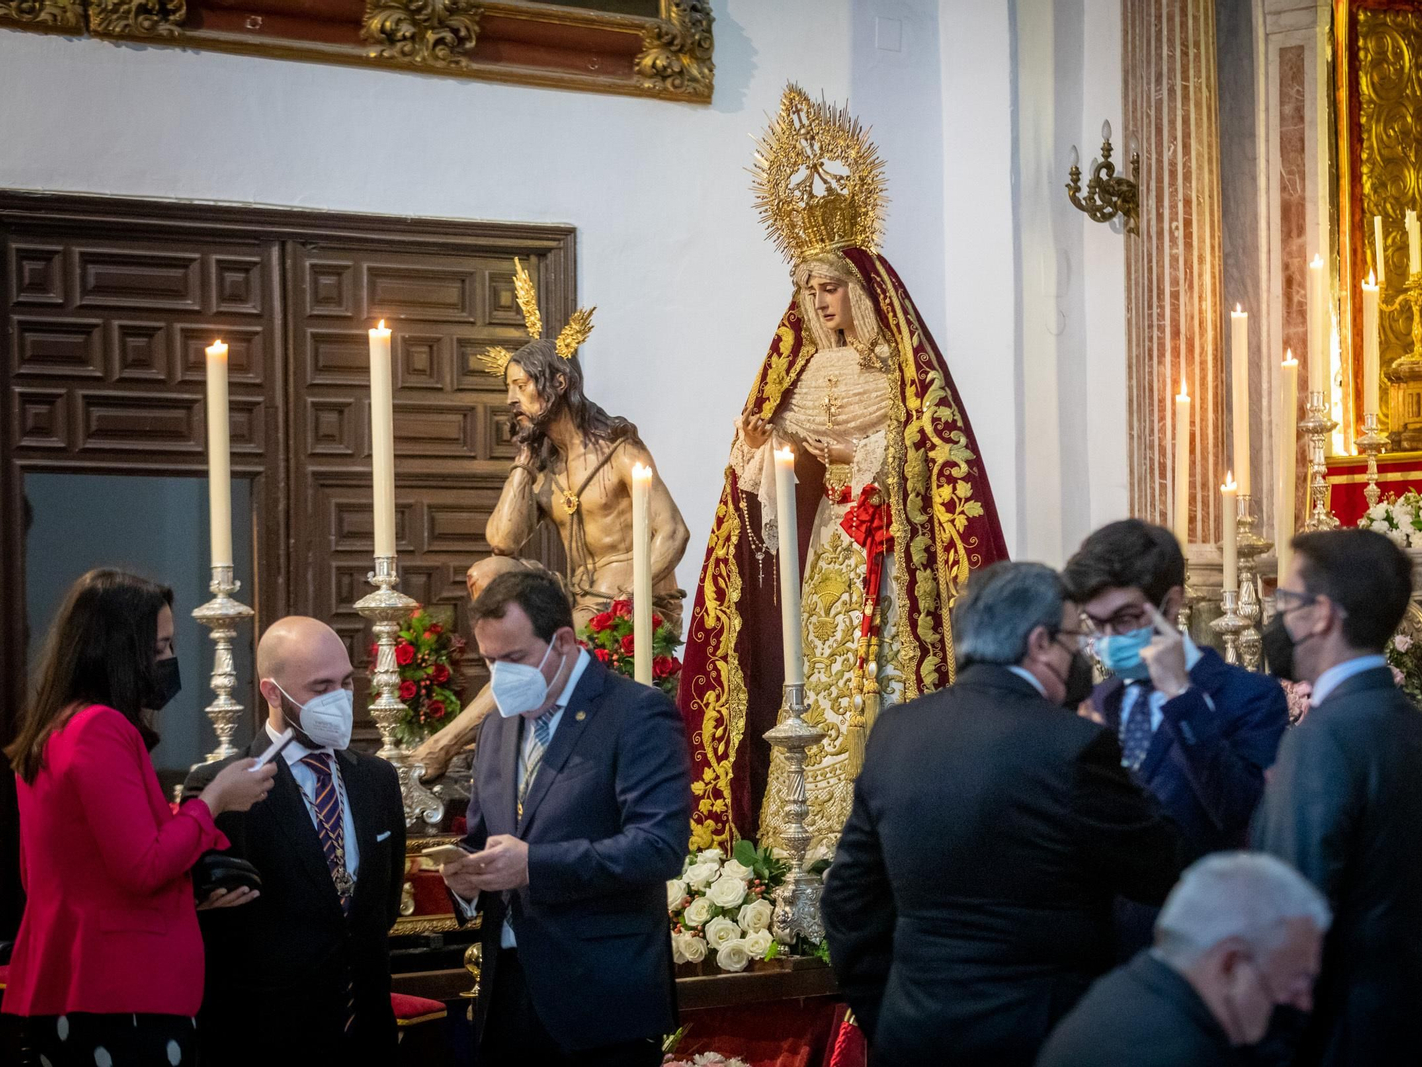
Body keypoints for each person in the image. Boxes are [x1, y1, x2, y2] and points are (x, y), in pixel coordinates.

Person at [679, 85, 1009, 854]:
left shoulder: (896, 370)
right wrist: (761, 448)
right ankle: (806, 831)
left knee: (884, 672)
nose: (818, 301)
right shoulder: (795, 375)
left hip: (884, 553)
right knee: (813, 674)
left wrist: (849, 458)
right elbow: (765, 490)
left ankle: (892, 816)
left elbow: (921, 455)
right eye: (808, 290)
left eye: (830, 288)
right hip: (826, 547)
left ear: (861, 289)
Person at [821, 561, 1183, 1066]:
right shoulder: (1073, 744)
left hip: (915, 1034)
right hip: (1042, 1037)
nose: (1079, 653)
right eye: (1074, 638)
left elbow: (848, 900)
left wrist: (886, 1012)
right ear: (1039, 642)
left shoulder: (896, 732)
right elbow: (1160, 867)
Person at [413, 260, 690, 780]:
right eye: (509, 388)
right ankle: (505, 713)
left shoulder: (620, 449)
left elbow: (673, 532)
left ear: (558, 383)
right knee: (489, 575)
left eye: (520, 386)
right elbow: (502, 539)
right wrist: (523, 458)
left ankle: (446, 743)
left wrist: (634, 593)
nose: (510, 400)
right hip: (577, 595)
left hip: (629, 601)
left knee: (550, 638)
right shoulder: (545, 468)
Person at [2, 569, 275, 1066]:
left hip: (77, 981)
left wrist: (187, 896)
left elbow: (81, 871)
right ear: (115, 652)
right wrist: (214, 799)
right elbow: (141, 865)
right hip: (117, 989)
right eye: (159, 648)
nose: (170, 661)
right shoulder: (99, 729)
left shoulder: (57, 727)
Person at [438, 570, 688, 1066]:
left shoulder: (636, 712)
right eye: (490, 661)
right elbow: (485, 838)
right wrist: (467, 879)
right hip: (508, 989)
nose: (500, 676)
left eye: (514, 659)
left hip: (600, 995)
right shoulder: (495, 726)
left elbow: (658, 846)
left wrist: (534, 865)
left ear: (563, 641)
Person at [1251, 529, 1422, 1066]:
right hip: (1405, 1015)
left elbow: (1290, 907)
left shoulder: (1322, 736)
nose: (1280, 619)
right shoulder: (1414, 724)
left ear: (1321, 615)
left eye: (1286, 601)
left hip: (1336, 1032)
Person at [185, 616, 407, 1063]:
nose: (340, 700)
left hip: (366, 1032)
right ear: (272, 693)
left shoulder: (378, 779)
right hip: (266, 1034)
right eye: (320, 688)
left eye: (346, 683)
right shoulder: (220, 787)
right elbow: (212, 923)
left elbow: (380, 908)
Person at [1064, 519, 1288, 955]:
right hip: (1102, 947)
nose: (1108, 639)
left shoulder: (1249, 697)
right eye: (1097, 624)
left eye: (1125, 619)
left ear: (1170, 605)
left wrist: (1180, 696)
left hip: (1199, 944)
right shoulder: (1101, 698)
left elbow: (1238, 811)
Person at [1037, 851, 1330, 1067]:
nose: (1304, 1003)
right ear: (1230, 966)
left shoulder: (1123, 991)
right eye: (1296, 981)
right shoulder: (1183, 1053)